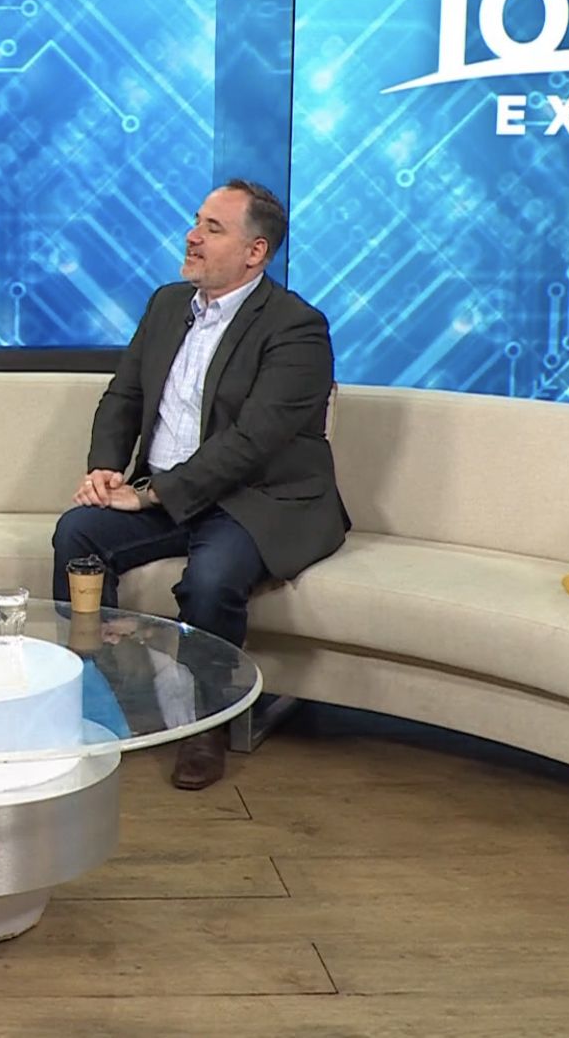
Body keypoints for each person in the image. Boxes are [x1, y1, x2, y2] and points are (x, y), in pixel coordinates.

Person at [52, 178, 348, 790]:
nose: (192, 236)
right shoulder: (167, 305)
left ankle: (204, 723)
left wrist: (151, 495)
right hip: (166, 491)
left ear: (255, 252)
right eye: (196, 222)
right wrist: (106, 467)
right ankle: (100, 698)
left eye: (213, 228)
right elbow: (124, 395)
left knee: (211, 580)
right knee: (79, 534)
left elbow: (252, 442)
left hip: (254, 500)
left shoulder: (297, 328)